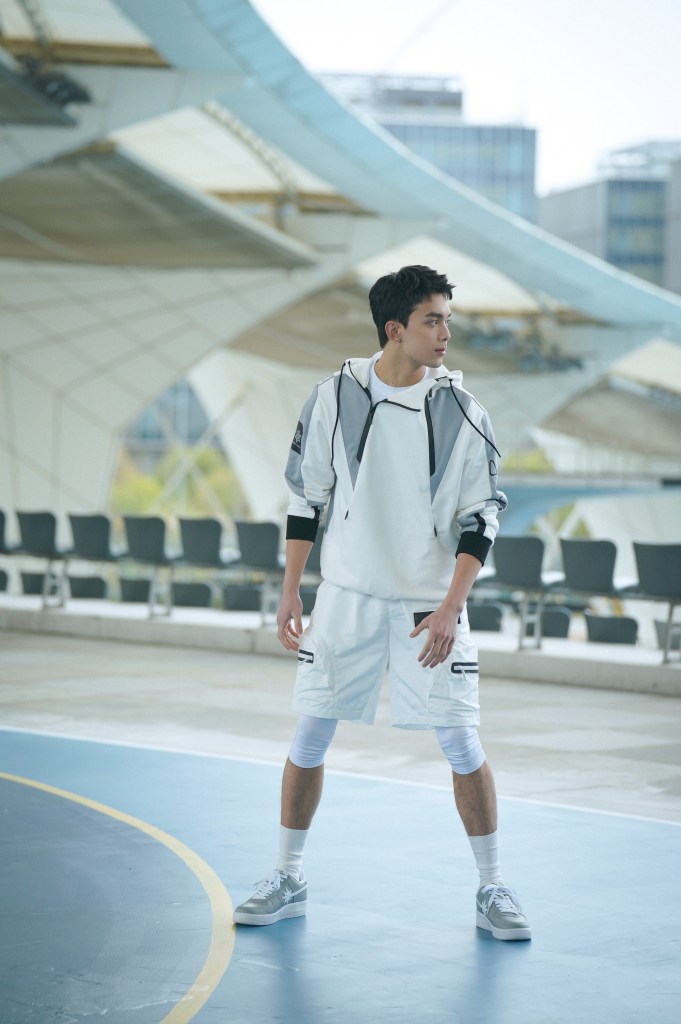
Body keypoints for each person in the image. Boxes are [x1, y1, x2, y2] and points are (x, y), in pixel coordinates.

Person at [233, 265, 531, 941]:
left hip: (428, 606)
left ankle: (492, 886)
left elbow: (481, 519)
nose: (445, 332)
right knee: (310, 734)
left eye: (447, 319)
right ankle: (287, 876)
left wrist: (451, 607)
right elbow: (305, 499)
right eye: (433, 320)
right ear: (394, 329)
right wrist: (290, 589)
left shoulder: (464, 411)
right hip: (345, 598)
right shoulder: (333, 396)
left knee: (460, 741)